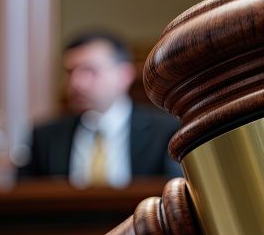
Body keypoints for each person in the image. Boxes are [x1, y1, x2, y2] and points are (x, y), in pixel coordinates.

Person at [18, 31, 182, 185]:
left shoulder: (165, 132)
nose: (76, 83)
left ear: (125, 75)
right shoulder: (45, 137)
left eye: (89, 70)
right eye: (69, 72)